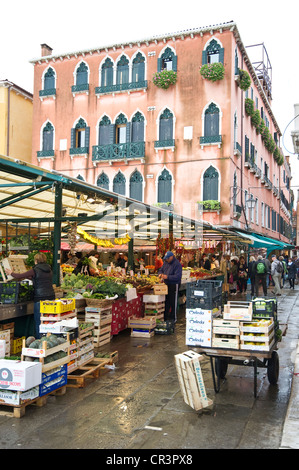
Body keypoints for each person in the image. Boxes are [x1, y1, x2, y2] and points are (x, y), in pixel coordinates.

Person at [5, 252, 55, 339]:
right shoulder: (49, 270)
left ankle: (40, 341)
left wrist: (11, 273)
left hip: (40, 299)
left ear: (36, 261)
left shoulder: (35, 270)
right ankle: (49, 339)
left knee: (39, 322)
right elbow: (36, 278)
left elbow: (20, 276)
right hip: (51, 298)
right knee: (49, 321)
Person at [158, 251, 182, 323]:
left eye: (168, 258)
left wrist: (167, 277)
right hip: (166, 285)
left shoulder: (177, 264)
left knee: (173, 302)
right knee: (167, 301)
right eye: (166, 259)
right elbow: (161, 270)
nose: (167, 260)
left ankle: (173, 318)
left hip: (174, 285)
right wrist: (160, 274)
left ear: (172, 257)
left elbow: (178, 277)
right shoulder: (165, 262)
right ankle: (166, 318)